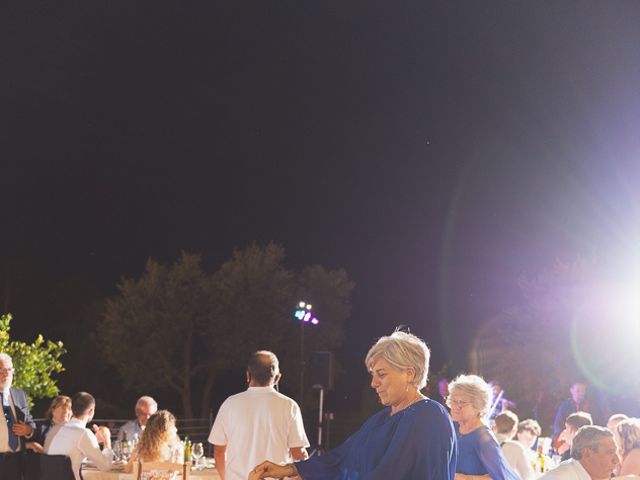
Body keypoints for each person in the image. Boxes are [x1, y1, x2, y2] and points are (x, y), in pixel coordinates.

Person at [249, 330, 457, 480]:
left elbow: (391, 473)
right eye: (373, 375)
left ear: (409, 373)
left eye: (381, 374)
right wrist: (289, 469)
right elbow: (341, 458)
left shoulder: (429, 416)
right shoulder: (383, 418)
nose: (374, 383)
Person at [208, 350, 309, 480]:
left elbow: (219, 451)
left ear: (248, 375)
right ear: (277, 378)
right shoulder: (289, 406)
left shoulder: (230, 404)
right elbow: (299, 454)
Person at [448, 374, 519, 480]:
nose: (455, 406)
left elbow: (502, 478)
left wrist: (465, 478)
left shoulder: (483, 438)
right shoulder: (454, 427)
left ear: (478, 406)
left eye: (461, 402)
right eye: (453, 400)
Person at [45, 391, 113, 480]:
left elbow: (74, 454)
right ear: (91, 411)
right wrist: (107, 440)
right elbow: (105, 466)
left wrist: (94, 440)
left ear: (72, 409)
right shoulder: (83, 433)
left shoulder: (57, 429)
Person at [0, 352, 36, 478]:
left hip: (17, 461)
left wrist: (28, 429)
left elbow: (30, 421)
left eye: (9, 369)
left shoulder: (19, 395)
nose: (6, 373)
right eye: (1, 370)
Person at [538, 426, 619, 480]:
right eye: (610, 452)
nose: (617, 460)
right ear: (587, 454)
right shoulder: (559, 478)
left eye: (616, 452)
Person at [493, 411, 536, 480]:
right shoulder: (516, 447)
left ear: (494, 427)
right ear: (514, 431)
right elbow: (528, 477)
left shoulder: (482, 442)